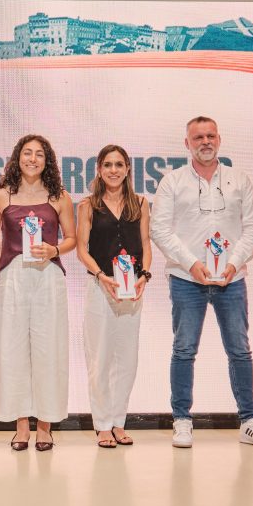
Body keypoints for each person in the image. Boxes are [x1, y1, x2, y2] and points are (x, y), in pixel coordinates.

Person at [150, 116, 253, 448]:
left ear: (219, 139)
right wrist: (191, 264)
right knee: (183, 350)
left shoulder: (239, 179)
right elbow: (159, 229)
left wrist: (235, 263)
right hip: (185, 278)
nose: (205, 142)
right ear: (187, 143)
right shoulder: (172, 181)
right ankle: (181, 420)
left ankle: (249, 421)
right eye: (198, 137)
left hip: (231, 279)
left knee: (239, 350)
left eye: (210, 136)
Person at [0, 134, 76, 451]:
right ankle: (21, 425)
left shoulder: (59, 197)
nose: (33, 159)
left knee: (48, 349)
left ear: (47, 160)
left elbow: (72, 239)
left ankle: (45, 426)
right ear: (18, 157)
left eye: (40, 154)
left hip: (48, 276)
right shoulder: (1, 195)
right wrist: (2, 271)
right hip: (13, 277)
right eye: (27, 153)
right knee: (12, 349)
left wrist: (54, 250)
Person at [76, 145, 151, 448]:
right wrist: (100, 275)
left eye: (119, 164)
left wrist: (145, 275)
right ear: (99, 169)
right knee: (101, 357)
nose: (113, 170)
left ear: (128, 169)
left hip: (132, 289)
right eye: (107, 165)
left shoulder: (140, 203)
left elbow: (145, 243)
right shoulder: (87, 206)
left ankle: (119, 421)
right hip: (101, 287)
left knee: (127, 359)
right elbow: (81, 249)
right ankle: (102, 424)